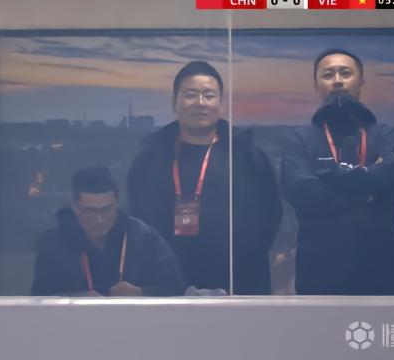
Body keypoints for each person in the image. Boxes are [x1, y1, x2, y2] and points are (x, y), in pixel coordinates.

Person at [127, 61, 282, 294]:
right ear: (174, 102)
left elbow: (270, 216)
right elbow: (138, 221)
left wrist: (246, 260)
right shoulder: (150, 158)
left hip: (238, 282)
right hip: (166, 284)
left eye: (208, 96)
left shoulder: (246, 155)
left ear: (220, 104)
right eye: (190, 95)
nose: (200, 103)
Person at [282, 49, 394, 295]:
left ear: (361, 82)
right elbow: (301, 191)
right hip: (318, 276)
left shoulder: (385, 134)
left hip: (382, 275)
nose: (337, 80)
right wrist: (369, 190)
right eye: (328, 74)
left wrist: (328, 174)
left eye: (346, 73)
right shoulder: (299, 139)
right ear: (317, 85)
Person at [31, 166, 186, 296]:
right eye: (89, 211)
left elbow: (176, 288)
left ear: (117, 202)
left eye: (107, 210)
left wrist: (140, 293)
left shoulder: (142, 236)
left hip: (134, 319)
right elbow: (39, 298)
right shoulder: (53, 243)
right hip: (76, 321)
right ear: (75, 207)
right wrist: (76, 300)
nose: (99, 219)